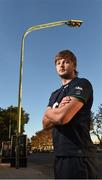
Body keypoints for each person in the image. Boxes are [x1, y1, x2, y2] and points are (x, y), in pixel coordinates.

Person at [42, 50, 98, 179]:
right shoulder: (55, 94)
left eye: (66, 62)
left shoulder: (82, 84)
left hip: (79, 155)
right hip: (59, 155)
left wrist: (48, 111)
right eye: (58, 63)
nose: (61, 65)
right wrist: (57, 110)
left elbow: (62, 118)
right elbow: (45, 124)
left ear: (74, 65)